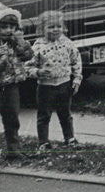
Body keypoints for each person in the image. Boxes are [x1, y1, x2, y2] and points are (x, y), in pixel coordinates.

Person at [31, 10, 82, 151]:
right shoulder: (38, 46)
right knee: (44, 115)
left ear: (63, 27)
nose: (55, 30)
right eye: (51, 27)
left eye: (58, 26)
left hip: (64, 84)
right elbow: (27, 65)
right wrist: (38, 72)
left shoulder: (67, 43)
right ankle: (43, 142)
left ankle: (70, 139)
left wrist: (77, 79)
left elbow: (76, 60)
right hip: (45, 87)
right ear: (42, 29)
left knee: (65, 114)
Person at [0, 3, 34, 161]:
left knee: (12, 117)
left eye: (12, 26)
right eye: (4, 26)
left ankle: (14, 150)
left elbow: (28, 56)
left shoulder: (15, 42)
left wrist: (21, 42)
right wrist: (0, 60)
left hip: (11, 85)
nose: (8, 30)